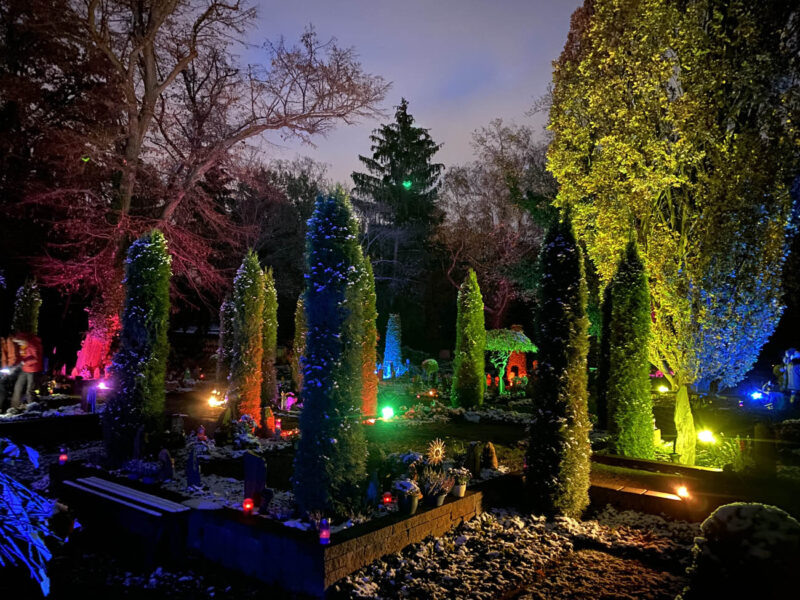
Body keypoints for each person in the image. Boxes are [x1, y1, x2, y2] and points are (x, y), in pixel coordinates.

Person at [10, 333, 43, 408]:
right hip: (25, 369)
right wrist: (14, 365)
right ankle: (14, 406)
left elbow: (36, 359)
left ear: (23, 340)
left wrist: (25, 362)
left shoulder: (33, 346)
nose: (18, 344)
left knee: (30, 391)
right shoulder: (23, 346)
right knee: (18, 387)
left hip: (33, 370)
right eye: (17, 342)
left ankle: (32, 408)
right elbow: (21, 357)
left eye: (19, 341)